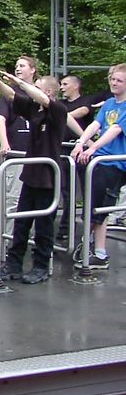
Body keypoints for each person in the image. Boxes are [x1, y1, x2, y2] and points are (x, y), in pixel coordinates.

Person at [0, 72, 68, 283]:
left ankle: (41, 266)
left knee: (44, 225)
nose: (32, 90)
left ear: (49, 92)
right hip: (30, 175)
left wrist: (21, 83)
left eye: (38, 87)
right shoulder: (34, 109)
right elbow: (11, 97)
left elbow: (42, 98)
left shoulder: (58, 111)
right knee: (21, 222)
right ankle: (14, 264)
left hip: (48, 178)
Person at [70, 63, 126, 270]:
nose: (114, 83)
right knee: (95, 207)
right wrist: (81, 142)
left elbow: (115, 129)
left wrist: (93, 148)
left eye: (119, 80)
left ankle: (91, 244)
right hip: (100, 161)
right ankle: (98, 251)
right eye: (112, 79)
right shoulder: (109, 103)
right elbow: (96, 124)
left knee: (99, 208)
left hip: (114, 162)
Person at [0, 56, 39, 237]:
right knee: (13, 198)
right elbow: (0, 119)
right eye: (16, 66)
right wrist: (4, 142)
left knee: (37, 200)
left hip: (38, 155)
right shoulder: (9, 93)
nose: (18, 68)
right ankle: (8, 238)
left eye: (22, 65)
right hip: (17, 154)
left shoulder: (39, 92)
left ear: (33, 69)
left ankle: (32, 238)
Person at [57, 74, 94, 240]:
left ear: (75, 85)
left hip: (83, 151)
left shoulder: (86, 101)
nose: (62, 87)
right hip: (64, 151)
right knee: (67, 191)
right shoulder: (61, 104)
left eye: (65, 84)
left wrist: (61, 115)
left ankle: (90, 226)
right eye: (61, 84)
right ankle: (65, 227)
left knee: (88, 189)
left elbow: (82, 112)